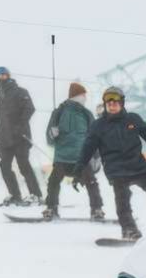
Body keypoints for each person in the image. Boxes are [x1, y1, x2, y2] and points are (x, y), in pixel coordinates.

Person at [75, 87, 146, 240]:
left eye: (115, 103)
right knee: (122, 199)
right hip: (117, 170)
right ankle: (129, 229)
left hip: (138, 167)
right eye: (109, 104)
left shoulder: (133, 119)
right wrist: (78, 169)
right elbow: (87, 149)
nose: (112, 106)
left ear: (122, 103)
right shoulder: (98, 126)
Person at [44, 82, 104, 220]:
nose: (85, 98)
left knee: (91, 182)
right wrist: (52, 134)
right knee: (53, 181)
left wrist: (96, 156)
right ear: (76, 96)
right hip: (62, 157)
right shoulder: (58, 112)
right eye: (83, 95)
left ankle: (97, 209)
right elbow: (49, 139)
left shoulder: (87, 114)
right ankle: (51, 208)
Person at [0, 66, 42, 206]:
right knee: (4, 166)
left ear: (8, 75)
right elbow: (1, 122)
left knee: (23, 164)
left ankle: (36, 195)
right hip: (5, 139)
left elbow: (30, 109)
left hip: (20, 137)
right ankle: (15, 195)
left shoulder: (20, 92)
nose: (0, 78)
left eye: (3, 75)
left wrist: (19, 125)